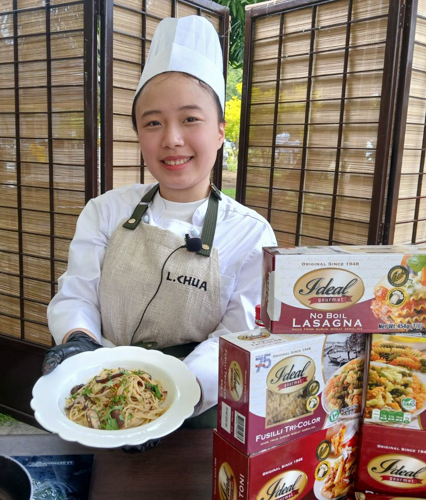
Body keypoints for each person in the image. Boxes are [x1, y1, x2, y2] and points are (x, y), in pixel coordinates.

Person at [43, 15, 276, 428]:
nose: (171, 138)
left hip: (199, 403)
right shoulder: (105, 210)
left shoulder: (250, 232)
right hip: (103, 394)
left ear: (220, 131)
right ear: (138, 134)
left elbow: (237, 336)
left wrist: (173, 395)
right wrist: (78, 341)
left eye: (190, 119)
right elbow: (77, 293)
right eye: (153, 122)